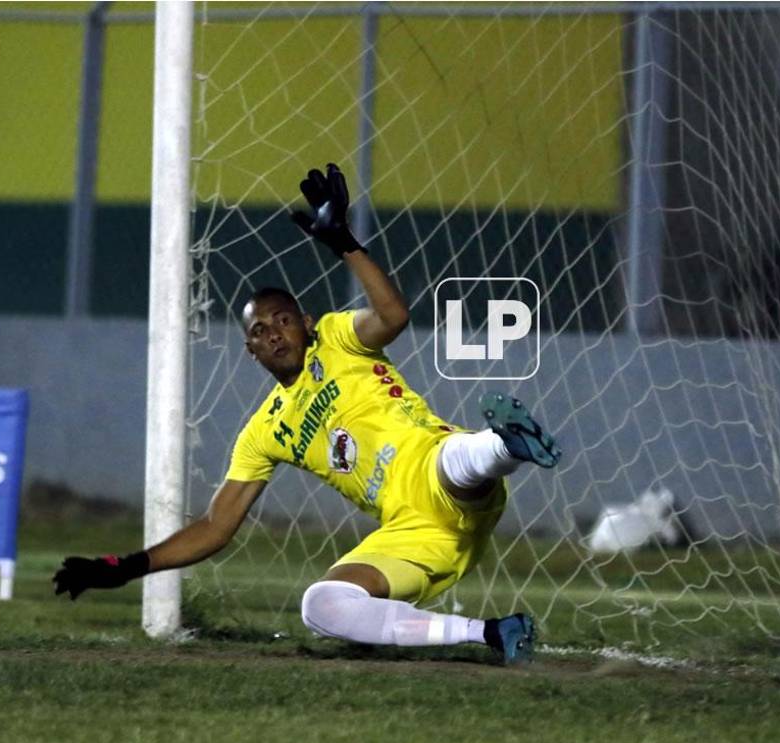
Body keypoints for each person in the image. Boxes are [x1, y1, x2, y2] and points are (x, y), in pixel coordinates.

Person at [54, 163, 561, 665]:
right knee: (323, 605)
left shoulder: (339, 339)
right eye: (258, 330)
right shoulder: (265, 431)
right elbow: (215, 526)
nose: (272, 332)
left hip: (438, 471)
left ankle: (503, 444)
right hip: (411, 534)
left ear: (307, 324)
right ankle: (492, 633)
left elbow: (393, 316)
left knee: (453, 459)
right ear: (250, 351)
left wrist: (343, 242)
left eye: (282, 320)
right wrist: (125, 568)